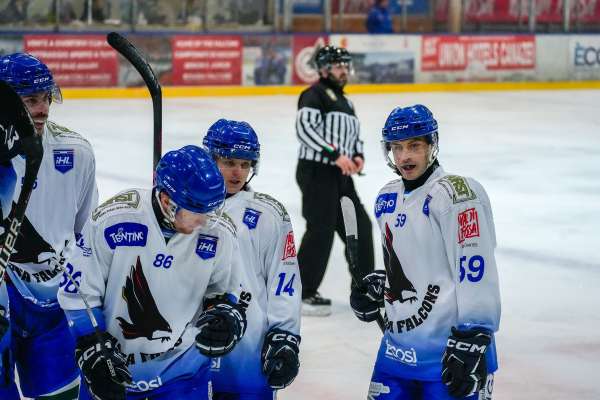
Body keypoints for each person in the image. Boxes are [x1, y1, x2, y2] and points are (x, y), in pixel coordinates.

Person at [58, 145, 248, 399]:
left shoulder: (218, 231)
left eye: (211, 209)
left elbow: (225, 292)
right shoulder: (115, 220)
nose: (206, 220)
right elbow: (78, 293)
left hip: (184, 370)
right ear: (168, 202)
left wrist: (226, 316)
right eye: (198, 210)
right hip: (114, 368)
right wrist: (92, 345)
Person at [350, 104, 500, 399]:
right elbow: (413, 264)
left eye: (414, 146)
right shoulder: (387, 198)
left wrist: (473, 334)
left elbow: (475, 268)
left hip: (452, 353)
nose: (404, 156)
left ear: (433, 145)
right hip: (396, 353)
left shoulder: (457, 195)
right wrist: (380, 287)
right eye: (397, 147)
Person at [0, 52, 99, 400]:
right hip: (3, 290)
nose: (42, 109)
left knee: (59, 395)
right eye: (30, 100)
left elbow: (89, 236)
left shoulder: (77, 152)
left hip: (55, 297)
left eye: (45, 99)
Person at [203, 119, 302, 398]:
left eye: (245, 164)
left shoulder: (268, 214)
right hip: (189, 352)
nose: (238, 172)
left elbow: (285, 279)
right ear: (210, 159)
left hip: (249, 350)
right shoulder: (186, 209)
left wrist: (285, 335)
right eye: (229, 162)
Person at [295, 45, 374, 316]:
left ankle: (364, 289)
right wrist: (334, 154)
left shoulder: (347, 102)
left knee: (361, 228)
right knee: (321, 230)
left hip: (341, 177)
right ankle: (302, 293)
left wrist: (357, 155)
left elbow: (354, 136)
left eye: (345, 65)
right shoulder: (314, 94)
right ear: (324, 69)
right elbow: (305, 129)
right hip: (317, 172)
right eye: (338, 66)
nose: (343, 70)